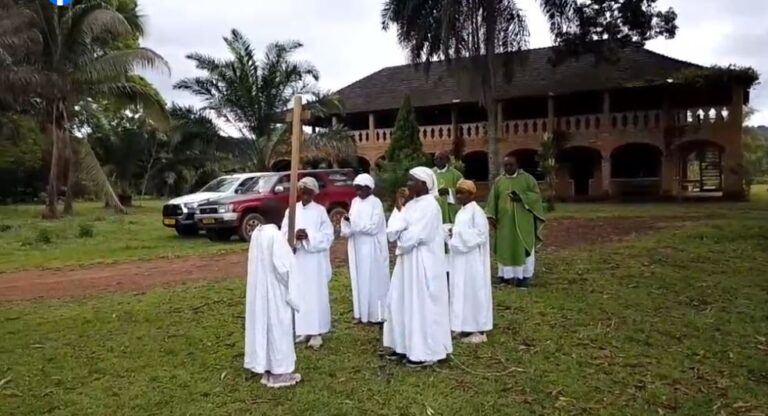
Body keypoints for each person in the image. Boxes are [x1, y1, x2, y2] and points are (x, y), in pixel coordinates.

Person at [383, 167, 452, 368]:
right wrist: (399, 206)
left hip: (423, 264)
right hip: (407, 262)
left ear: (424, 184)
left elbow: (416, 236)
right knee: (402, 301)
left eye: (412, 180)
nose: (408, 184)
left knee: (422, 304)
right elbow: (392, 232)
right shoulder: (411, 205)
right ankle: (403, 345)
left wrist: (402, 236)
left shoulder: (431, 206)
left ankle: (426, 352)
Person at [244, 222, 302, 388]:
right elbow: (283, 268)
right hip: (275, 291)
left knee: (265, 328)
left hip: (261, 290)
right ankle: (279, 372)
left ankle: (267, 368)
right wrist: (292, 285)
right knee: (278, 328)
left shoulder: (257, 234)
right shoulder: (275, 236)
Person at [281, 176, 334, 349]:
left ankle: (316, 332)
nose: (305, 196)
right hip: (298, 259)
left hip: (314, 262)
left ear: (314, 193)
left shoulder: (320, 211)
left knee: (314, 294)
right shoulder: (291, 211)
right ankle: (303, 329)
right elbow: (284, 233)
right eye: (302, 192)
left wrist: (309, 235)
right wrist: (294, 237)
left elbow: (328, 235)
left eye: (309, 193)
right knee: (299, 293)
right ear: (298, 192)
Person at [486, 155, 545, 288]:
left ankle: (524, 277)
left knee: (523, 246)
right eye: (505, 165)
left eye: (510, 165)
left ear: (517, 165)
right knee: (505, 248)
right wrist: (491, 217)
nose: (508, 168)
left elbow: (536, 196)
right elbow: (492, 200)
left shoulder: (528, 179)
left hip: (523, 222)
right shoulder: (499, 181)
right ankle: (505, 276)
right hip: (504, 223)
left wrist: (522, 198)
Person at [447, 179, 493, 344]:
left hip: (473, 260)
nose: (459, 196)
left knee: (474, 291)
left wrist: (457, 233)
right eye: (457, 193)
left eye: (462, 193)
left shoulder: (476, 212)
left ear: (471, 194)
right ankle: (464, 325)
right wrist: (452, 232)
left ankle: (479, 329)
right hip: (461, 259)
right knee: (462, 291)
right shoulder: (461, 212)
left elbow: (481, 234)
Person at [340, 174, 389, 324]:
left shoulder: (376, 203)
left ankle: (376, 315)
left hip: (371, 247)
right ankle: (361, 313)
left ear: (369, 188)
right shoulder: (355, 202)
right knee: (359, 279)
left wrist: (353, 223)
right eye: (356, 189)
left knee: (373, 279)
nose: (359, 192)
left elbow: (373, 227)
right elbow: (351, 222)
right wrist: (346, 222)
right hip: (357, 246)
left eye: (361, 189)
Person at [433, 151, 463, 225]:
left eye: (441, 158)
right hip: (434, 206)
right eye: (436, 159)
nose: (438, 160)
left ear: (447, 160)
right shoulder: (430, 173)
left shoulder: (456, 175)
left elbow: (463, 190)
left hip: (450, 208)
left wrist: (449, 191)